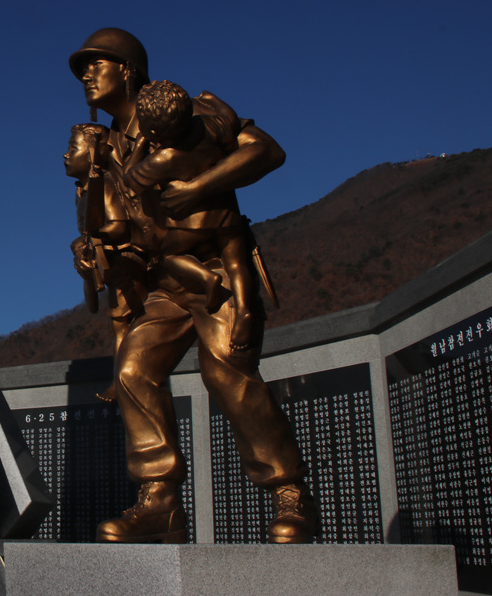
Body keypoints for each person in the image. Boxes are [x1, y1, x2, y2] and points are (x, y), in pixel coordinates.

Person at [68, 28, 317, 544]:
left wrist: (200, 186)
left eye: (98, 63)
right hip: (162, 283)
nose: (87, 74)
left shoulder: (186, 114)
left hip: (218, 272)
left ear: (128, 70)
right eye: (83, 68)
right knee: (135, 370)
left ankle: (288, 492)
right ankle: (159, 501)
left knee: (226, 372)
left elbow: (267, 151)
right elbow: (120, 234)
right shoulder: (104, 149)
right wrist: (95, 253)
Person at [125, 79, 257, 354]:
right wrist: (213, 100)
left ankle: (206, 278)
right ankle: (244, 308)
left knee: (169, 256)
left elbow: (132, 180)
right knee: (236, 264)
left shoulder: (164, 159)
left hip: (193, 224)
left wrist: (139, 146)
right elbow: (230, 121)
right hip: (227, 214)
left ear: (152, 131)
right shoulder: (209, 127)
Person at [65, 122, 148, 401]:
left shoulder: (105, 186)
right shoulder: (82, 192)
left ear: (92, 154)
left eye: (73, 148)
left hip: (124, 265)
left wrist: (91, 239)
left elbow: (119, 225)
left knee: (123, 324)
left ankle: (124, 379)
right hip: (107, 268)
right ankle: (122, 377)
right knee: (118, 325)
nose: (66, 154)